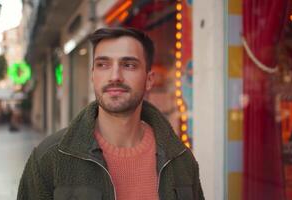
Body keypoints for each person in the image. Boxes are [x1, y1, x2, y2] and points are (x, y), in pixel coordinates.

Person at [17, 27, 204, 200]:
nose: (115, 76)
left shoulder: (181, 159)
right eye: (103, 65)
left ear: (148, 80)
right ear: (92, 76)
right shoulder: (49, 158)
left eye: (129, 65)